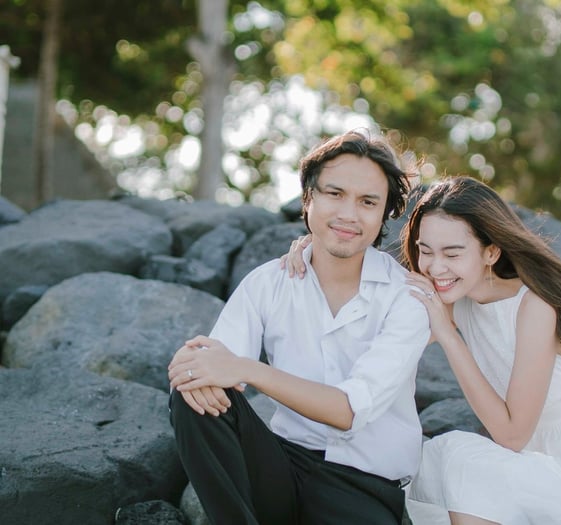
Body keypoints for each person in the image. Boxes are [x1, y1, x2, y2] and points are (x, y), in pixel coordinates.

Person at [283, 176, 561, 525]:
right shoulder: (455, 293)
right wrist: (318, 253)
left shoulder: (534, 306)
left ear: (490, 252)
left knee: (461, 455)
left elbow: (513, 435)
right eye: (425, 251)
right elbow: (373, 330)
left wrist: (449, 336)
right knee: (425, 464)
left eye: (452, 253)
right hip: (538, 466)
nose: (435, 268)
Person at [167, 130, 430, 525]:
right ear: (308, 199)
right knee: (192, 398)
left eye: (367, 202)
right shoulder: (267, 282)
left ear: (384, 215)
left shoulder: (406, 298)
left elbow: (349, 411)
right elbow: (211, 362)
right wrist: (190, 367)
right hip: (282, 464)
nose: (348, 214)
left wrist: (246, 369)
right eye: (334, 194)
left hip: (363, 485)